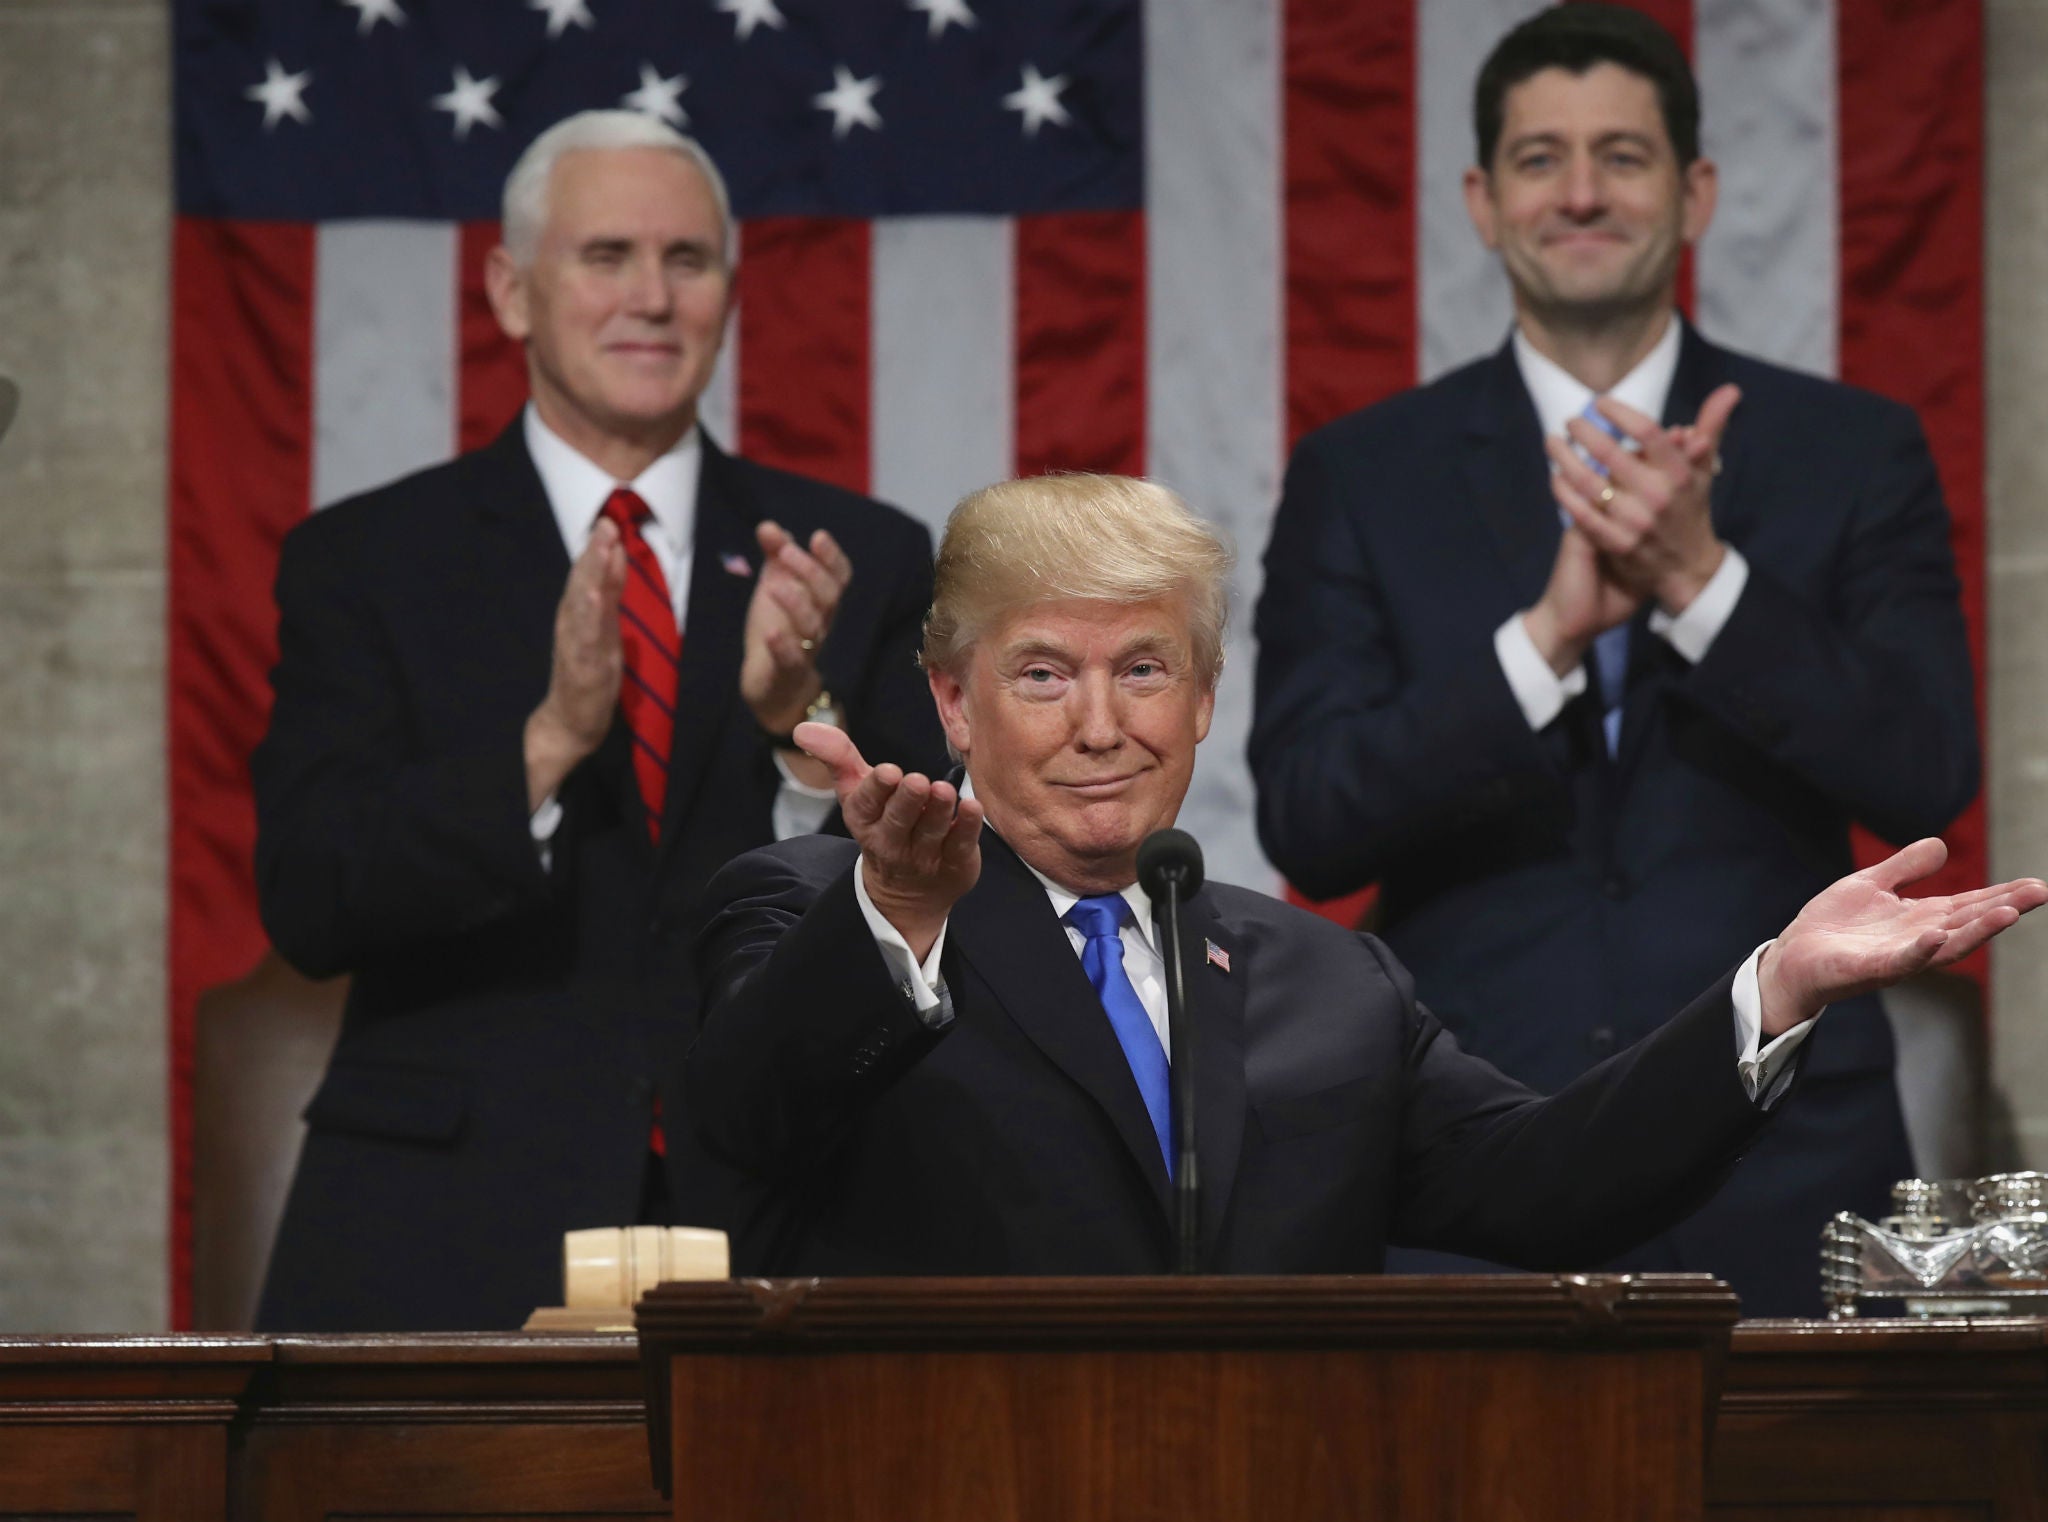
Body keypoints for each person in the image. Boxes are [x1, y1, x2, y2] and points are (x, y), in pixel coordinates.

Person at [684, 475, 2034, 1280]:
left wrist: (1778, 986)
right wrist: (898, 917)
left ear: (1205, 697)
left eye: (1144, 669)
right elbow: (739, 1130)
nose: (1102, 725)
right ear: (954, 702)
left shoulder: (1326, 980)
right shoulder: (817, 913)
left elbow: (1552, 1182)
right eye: (1044, 675)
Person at [1247, 4, 1980, 1314]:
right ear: (1481, 200)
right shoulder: (1364, 474)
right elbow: (1313, 820)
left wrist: (1701, 583)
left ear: (1694, 193)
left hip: (1785, 1154)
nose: (1581, 193)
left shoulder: (1850, 449)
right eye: (1540, 159)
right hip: (1464, 1158)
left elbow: (1925, 773)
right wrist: (1545, 642)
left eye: (1623, 156)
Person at [251, 111, 947, 1328]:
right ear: (513, 292)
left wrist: (800, 722)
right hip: (448, 1223)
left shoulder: (860, 559)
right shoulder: (366, 560)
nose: (652, 298)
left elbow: (930, 905)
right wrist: (546, 745)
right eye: (606, 256)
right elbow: (311, 894)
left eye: (687, 262)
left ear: (728, 294)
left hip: (776, 1210)